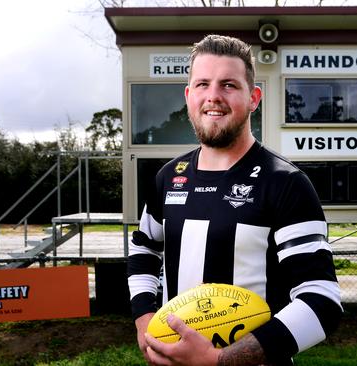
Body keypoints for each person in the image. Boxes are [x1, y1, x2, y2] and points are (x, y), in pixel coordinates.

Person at [128, 34, 342, 366]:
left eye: (228, 85)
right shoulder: (168, 177)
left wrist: (220, 360)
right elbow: (144, 249)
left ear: (254, 97)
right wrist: (144, 318)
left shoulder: (286, 183)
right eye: (202, 84)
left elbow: (321, 300)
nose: (213, 96)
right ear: (188, 95)